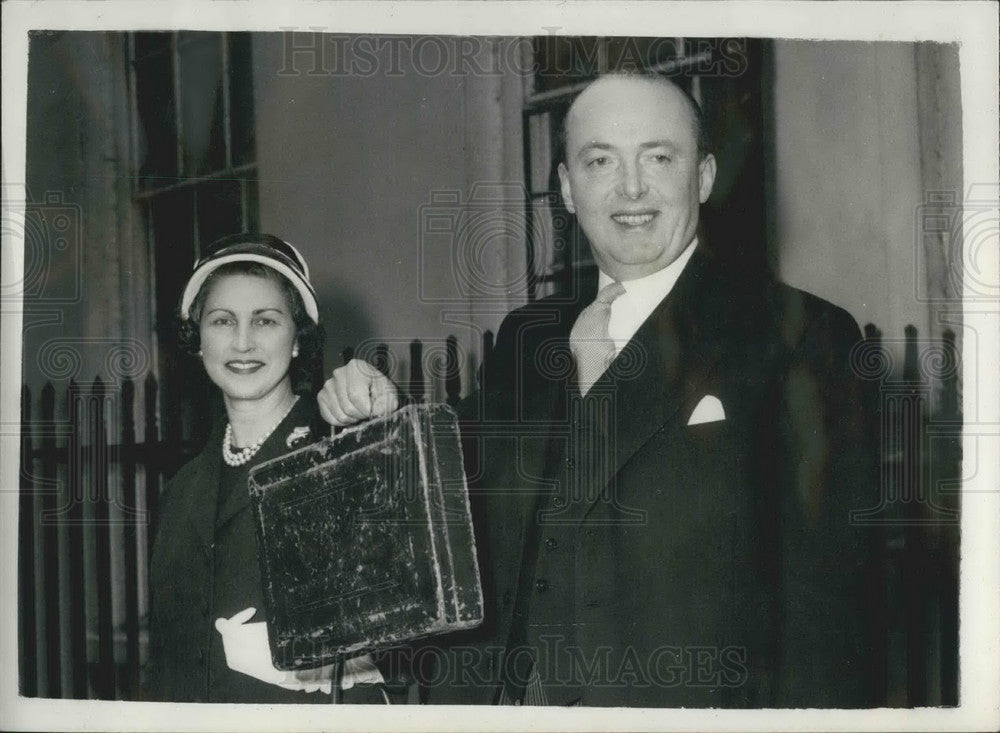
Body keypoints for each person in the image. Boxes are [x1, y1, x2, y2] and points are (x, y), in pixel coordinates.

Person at [319, 73, 881, 708]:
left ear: (702, 177)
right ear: (565, 187)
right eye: (599, 160)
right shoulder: (529, 341)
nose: (631, 187)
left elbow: (830, 613)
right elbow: (451, 504)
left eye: (659, 157)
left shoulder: (802, 338)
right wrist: (387, 419)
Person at [143, 233, 389, 703]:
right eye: (221, 321)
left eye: (266, 321)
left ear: (297, 340)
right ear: (198, 341)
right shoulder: (181, 491)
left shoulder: (339, 453)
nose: (242, 342)